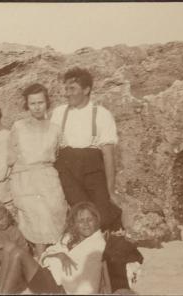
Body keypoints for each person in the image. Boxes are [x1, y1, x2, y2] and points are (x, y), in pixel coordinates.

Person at [51, 67, 122, 231]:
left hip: (93, 167)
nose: (67, 93)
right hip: (67, 167)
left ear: (86, 89)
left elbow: (108, 155)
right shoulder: (59, 113)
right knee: (82, 212)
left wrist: (110, 191)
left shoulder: (102, 114)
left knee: (102, 214)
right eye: (66, 88)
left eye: (72, 88)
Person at [8, 83, 68, 258]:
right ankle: (41, 265)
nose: (37, 107)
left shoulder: (55, 129)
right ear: (27, 105)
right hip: (26, 180)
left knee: (55, 216)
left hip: (49, 179)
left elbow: (58, 154)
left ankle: (56, 265)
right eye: (32, 103)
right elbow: (11, 157)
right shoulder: (18, 127)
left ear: (47, 103)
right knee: (36, 222)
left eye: (40, 102)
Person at [0, 202, 107, 294]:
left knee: (18, 253)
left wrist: (54, 259)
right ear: (75, 224)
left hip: (58, 287)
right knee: (9, 246)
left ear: (96, 221)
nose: (86, 224)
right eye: (81, 221)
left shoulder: (96, 243)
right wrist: (59, 256)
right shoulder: (68, 237)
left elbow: (83, 277)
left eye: (89, 219)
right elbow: (45, 254)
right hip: (47, 275)